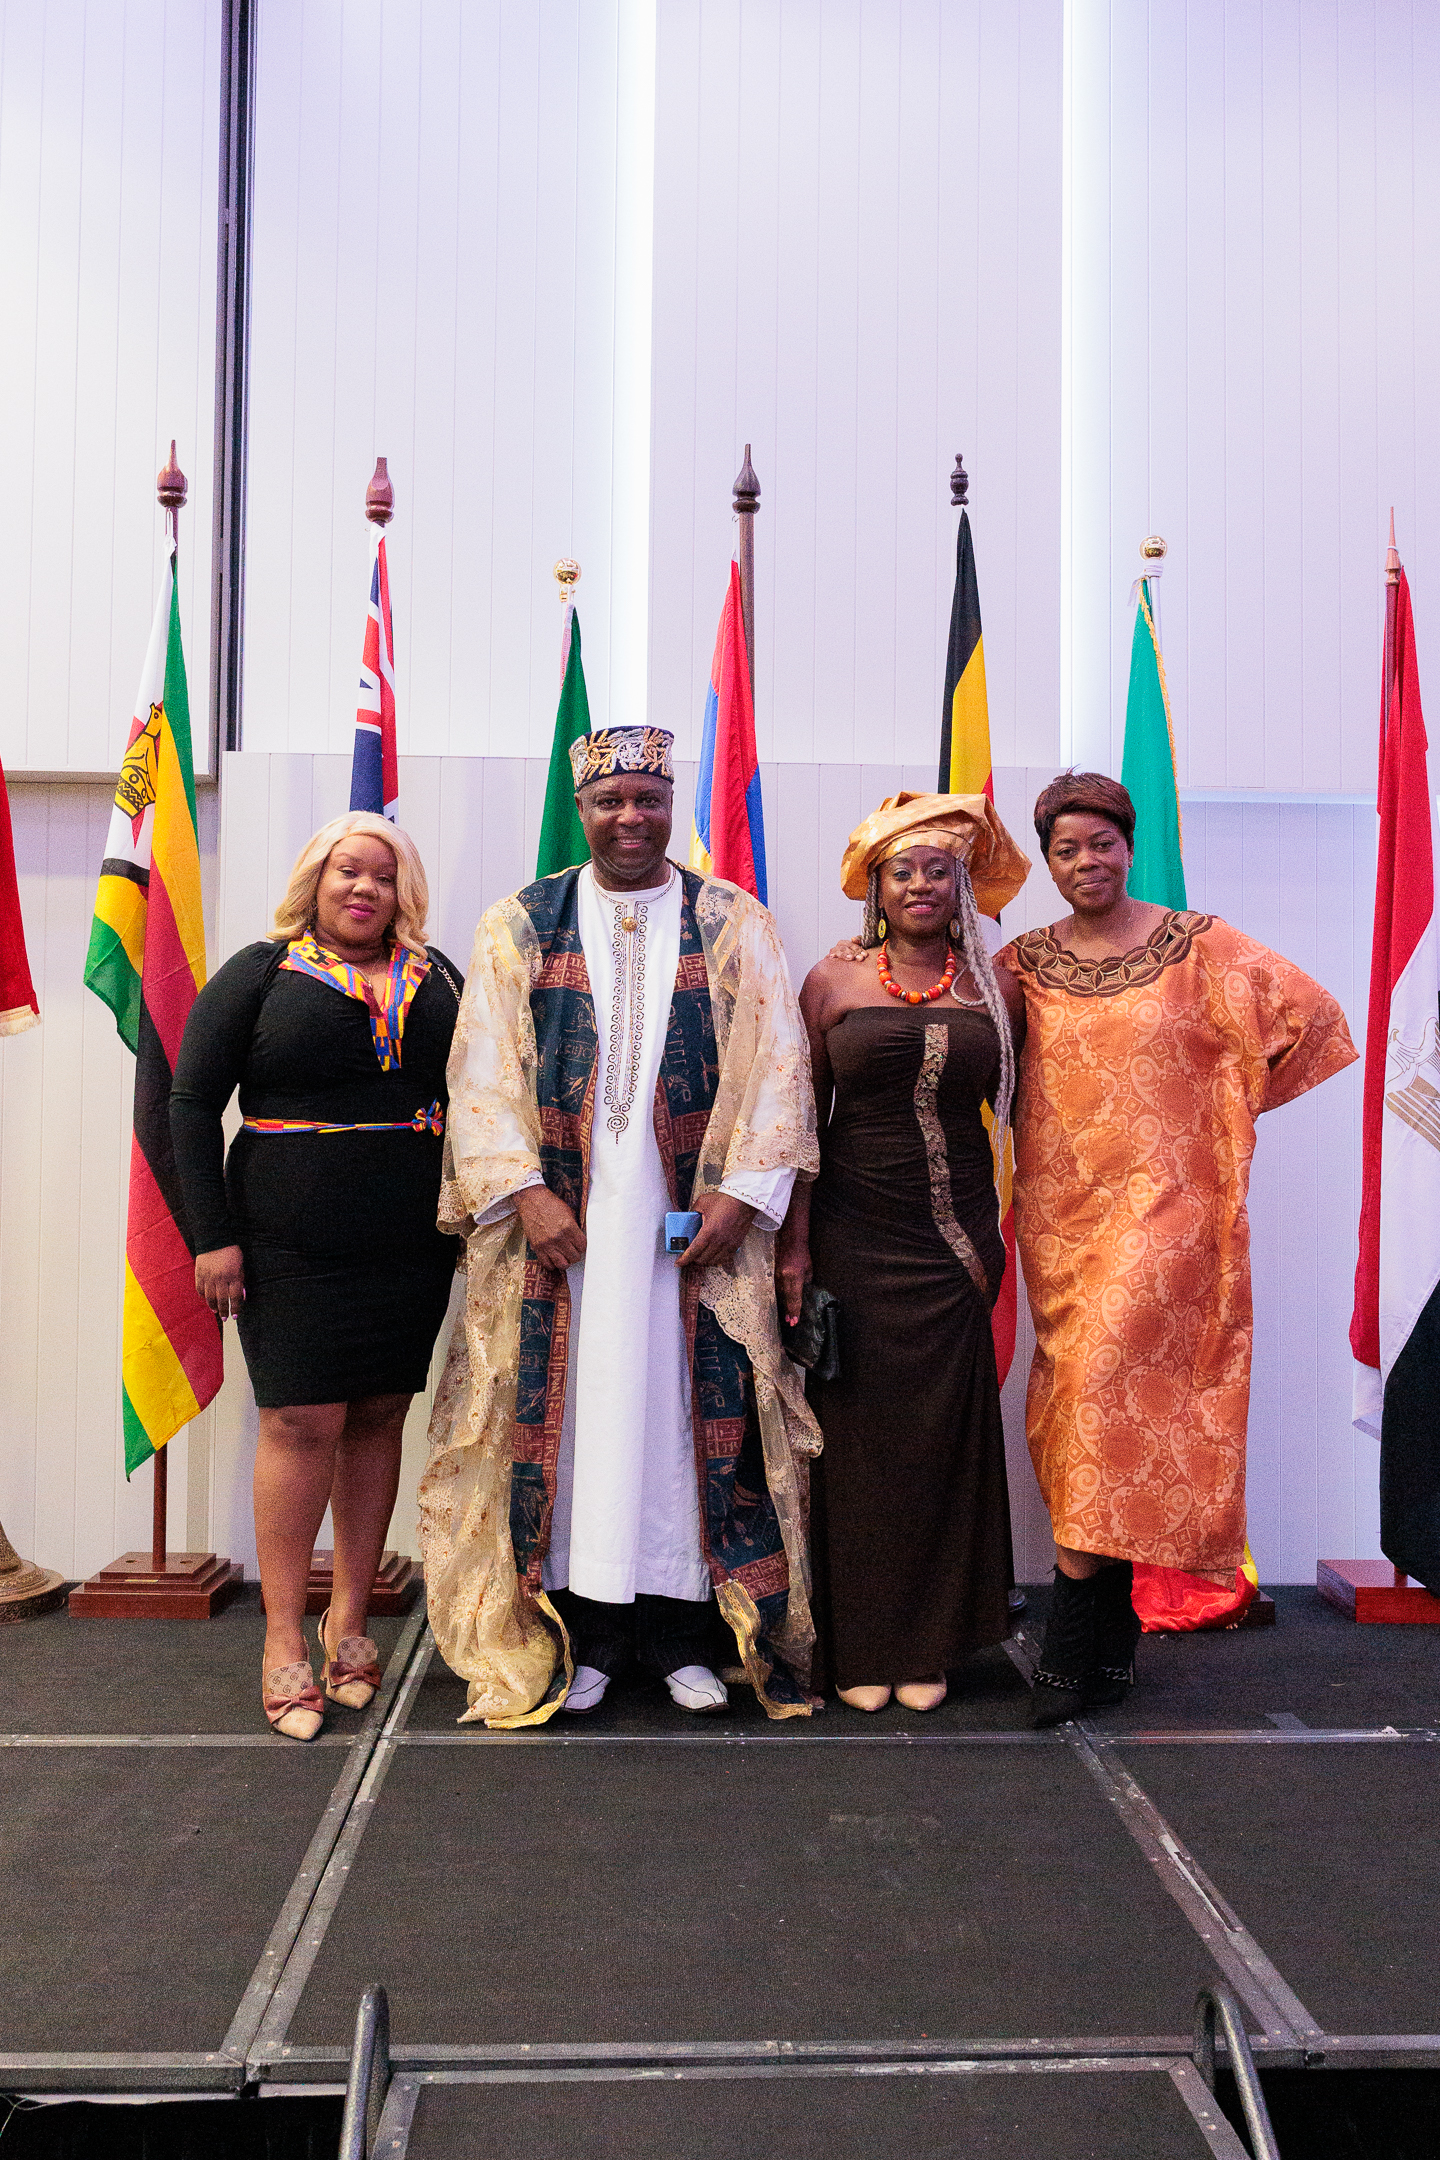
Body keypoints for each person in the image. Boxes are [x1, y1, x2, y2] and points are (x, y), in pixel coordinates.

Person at [418, 725, 821, 1726]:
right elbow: (480, 1075)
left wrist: (743, 1197)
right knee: (572, 1423)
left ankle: (684, 1635)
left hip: (695, 1237)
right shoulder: (521, 923)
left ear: (672, 803)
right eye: (611, 801)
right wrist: (527, 1194)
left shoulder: (732, 921)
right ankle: (585, 1635)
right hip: (561, 1239)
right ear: (582, 809)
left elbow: (779, 1065)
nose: (630, 817)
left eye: (649, 798)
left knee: (684, 1422)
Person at [999, 772, 1357, 1725]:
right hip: (1062, 1223)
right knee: (1078, 1416)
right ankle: (1111, 1644)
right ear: (1048, 862)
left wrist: (1219, 1120)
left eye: (1101, 844)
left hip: (1167, 1221)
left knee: (1099, 1404)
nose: (1086, 861)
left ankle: (1069, 1657)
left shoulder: (1199, 945)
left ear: (1129, 846)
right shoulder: (1024, 963)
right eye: (1066, 850)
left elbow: (1314, 1018)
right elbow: (960, 1041)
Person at [171, 813, 463, 1741]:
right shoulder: (260, 973)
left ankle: (349, 1621)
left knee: (378, 1414)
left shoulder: (438, 977)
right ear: (316, 879)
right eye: (348, 871)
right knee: (301, 1421)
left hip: (410, 1241)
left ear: (403, 892)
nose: (364, 888)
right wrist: (211, 1237)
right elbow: (189, 1103)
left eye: (384, 875)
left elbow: (483, 1092)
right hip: (285, 1241)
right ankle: (282, 1640)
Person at [777, 792, 1031, 1711]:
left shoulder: (997, 986)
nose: (921, 884)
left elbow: (1035, 1112)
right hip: (850, 1235)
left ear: (963, 884)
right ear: (874, 888)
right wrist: (794, 1248)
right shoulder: (831, 980)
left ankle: (929, 1646)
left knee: (940, 1443)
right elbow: (799, 1124)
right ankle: (860, 1645)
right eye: (902, 870)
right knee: (856, 1447)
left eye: (939, 869)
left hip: (956, 1245)